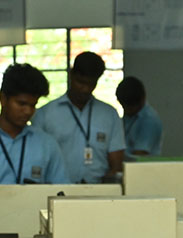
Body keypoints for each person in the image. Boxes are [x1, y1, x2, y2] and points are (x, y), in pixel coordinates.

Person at [32, 51, 125, 183]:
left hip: (98, 191)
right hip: (56, 190)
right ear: (71, 74)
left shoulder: (109, 115)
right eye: (80, 82)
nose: (85, 89)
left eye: (91, 84)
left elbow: (116, 165)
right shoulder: (45, 114)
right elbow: (36, 159)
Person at [116, 76, 163, 157]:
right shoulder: (128, 116)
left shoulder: (149, 121)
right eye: (123, 107)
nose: (126, 111)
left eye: (130, 108)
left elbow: (140, 156)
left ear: (142, 99)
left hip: (141, 167)